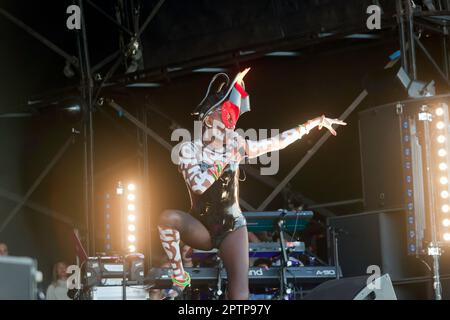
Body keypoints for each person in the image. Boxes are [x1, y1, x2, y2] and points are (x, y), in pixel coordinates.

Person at [158, 68, 346, 299]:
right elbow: (198, 185)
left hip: (232, 226)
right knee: (167, 218)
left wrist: (311, 124)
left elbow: (275, 143)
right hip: (201, 226)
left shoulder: (235, 144)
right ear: (208, 119)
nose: (229, 125)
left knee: (239, 297)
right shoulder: (189, 149)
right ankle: (179, 276)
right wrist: (224, 159)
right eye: (223, 117)